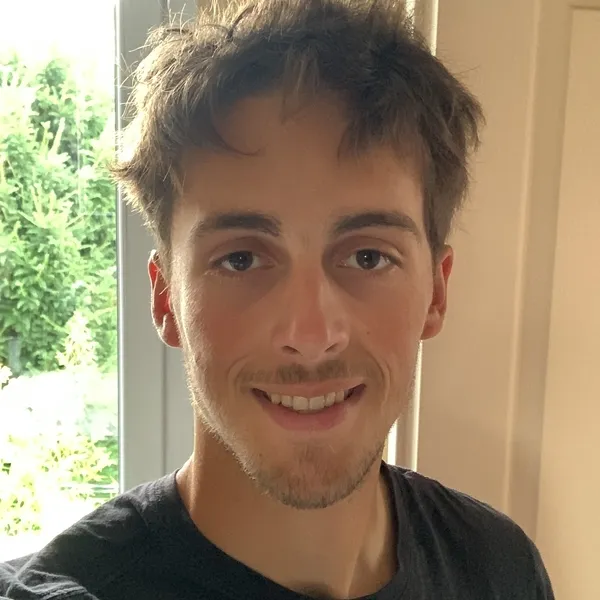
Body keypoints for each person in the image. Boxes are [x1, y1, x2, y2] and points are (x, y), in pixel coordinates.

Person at [0, 0, 555, 598]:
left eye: (368, 257)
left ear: (436, 292)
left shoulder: (499, 567)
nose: (310, 335)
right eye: (241, 259)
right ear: (165, 298)